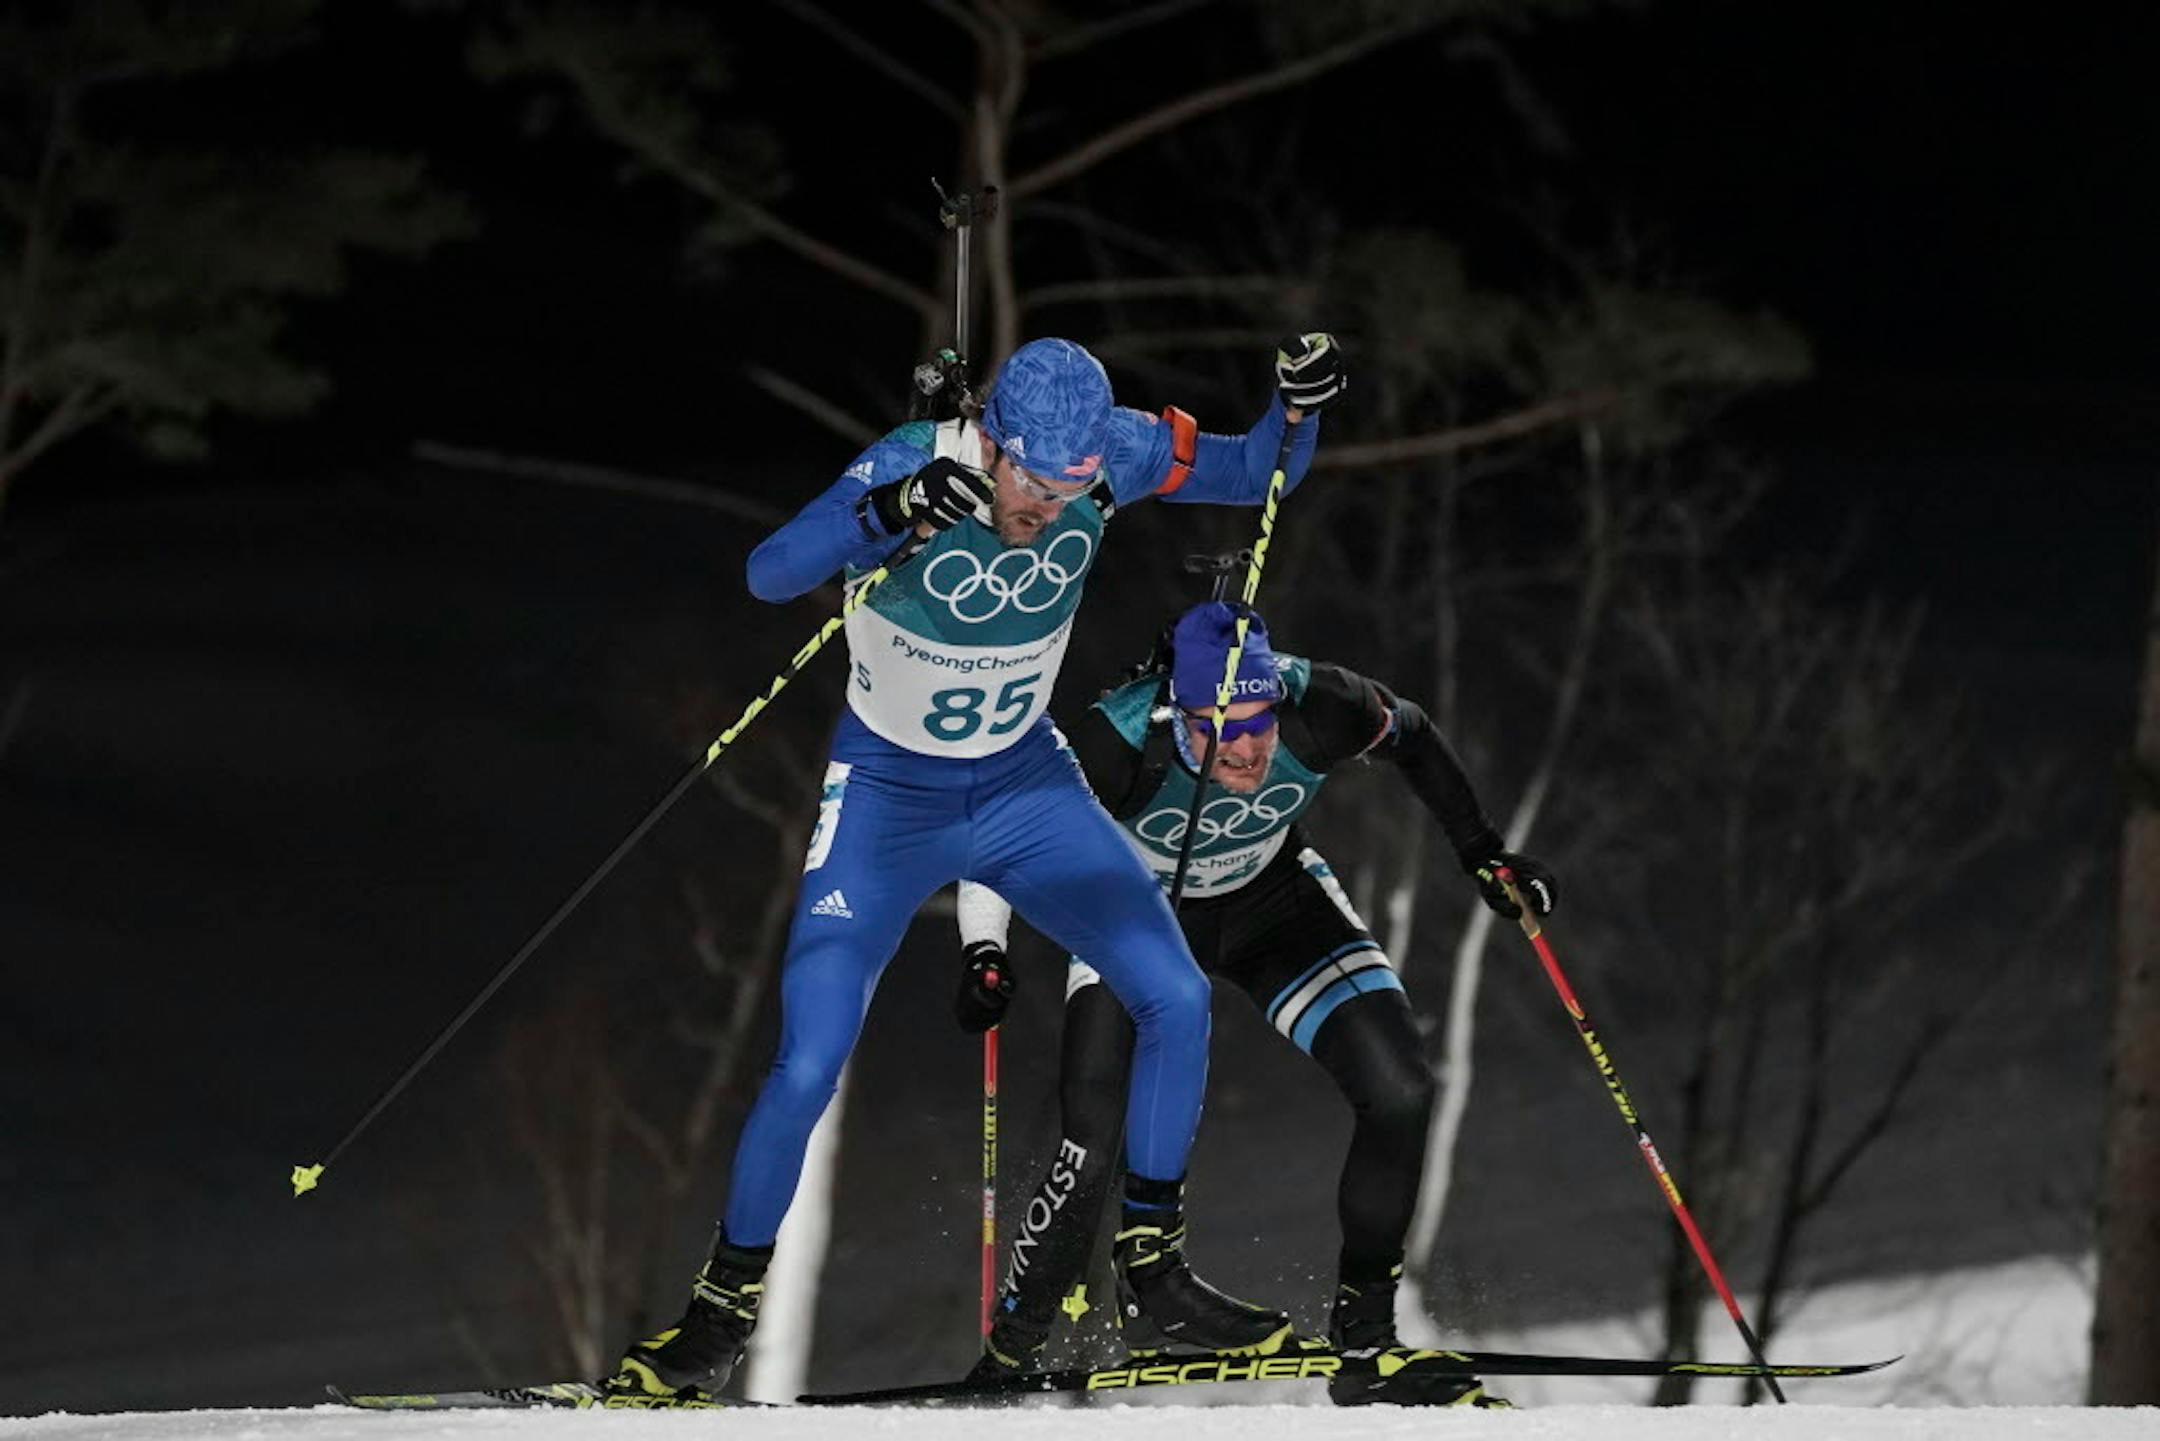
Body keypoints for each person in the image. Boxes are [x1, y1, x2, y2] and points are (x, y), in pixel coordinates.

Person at [606, 333, 1349, 1400]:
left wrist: (1299, 410)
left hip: (1022, 789)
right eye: (1037, 486)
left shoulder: (1113, 452)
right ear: (995, 445)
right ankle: (720, 1314)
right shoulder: (914, 457)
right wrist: (889, 513)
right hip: (886, 800)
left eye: (1077, 486)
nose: (1052, 505)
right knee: (808, 1058)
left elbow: (1254, 468)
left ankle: (1152, 1273)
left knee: (1178, 995)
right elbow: (769, 572)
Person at [953, 600, 1557, 1409]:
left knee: (1400, 1086)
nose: (1246, 748)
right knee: (1092, 1141)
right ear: (1179, 715)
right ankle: (1016, 1351)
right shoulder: (1117, 741)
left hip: (1273, 903)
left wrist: (1484, 853)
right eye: (1221, 730)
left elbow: (1411, 733)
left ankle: (1366, 1341)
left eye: (1258, 723)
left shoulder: (1320, 703)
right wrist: (984, 949)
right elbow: (996, 842)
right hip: (1139, 915)